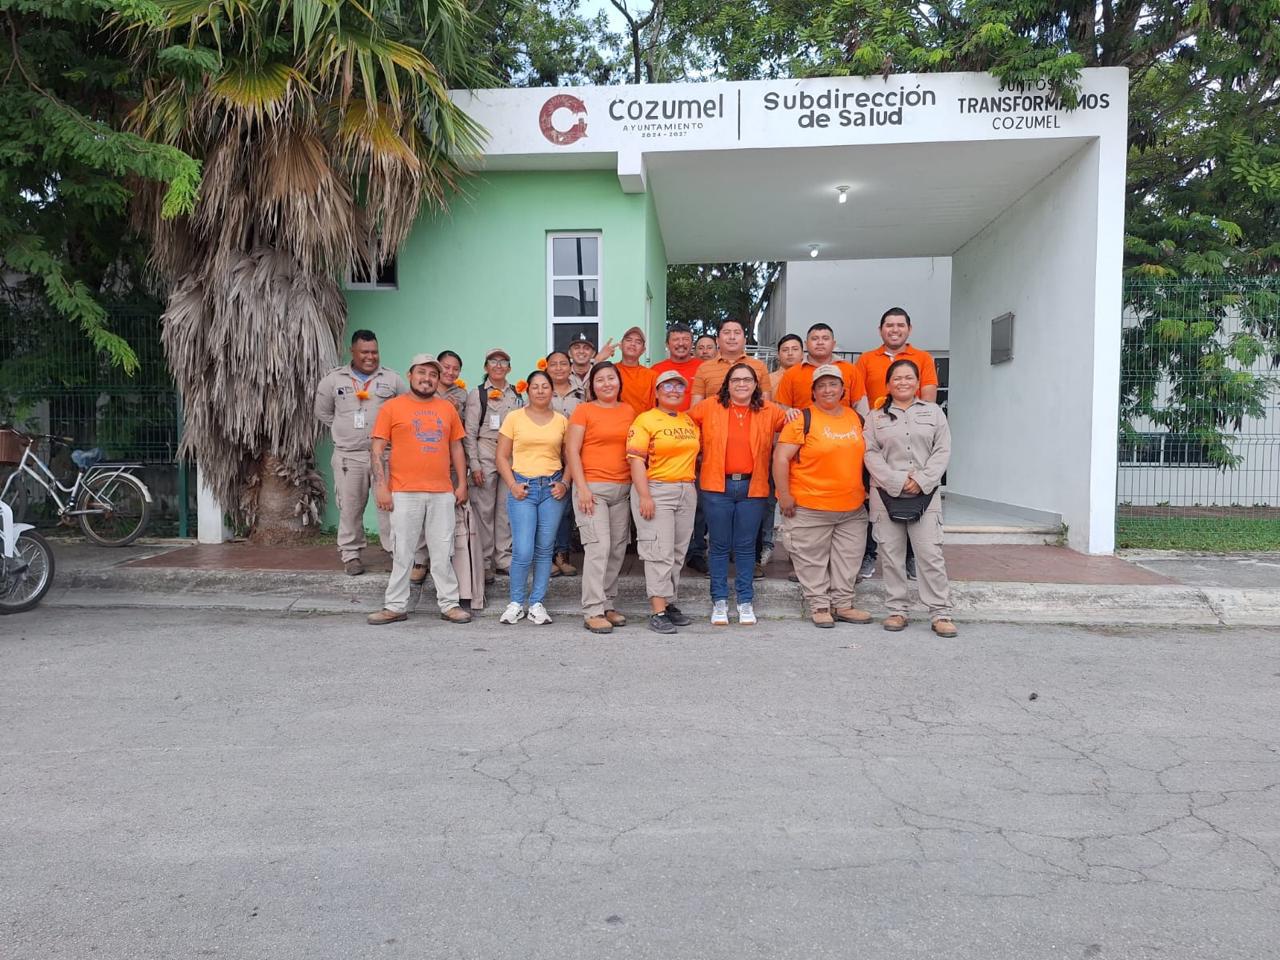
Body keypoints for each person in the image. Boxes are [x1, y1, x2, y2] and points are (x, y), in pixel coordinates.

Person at [366, 353, 471, 625]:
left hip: (442, 492)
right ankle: (395, 606)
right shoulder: (392, 407)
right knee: (402, 552)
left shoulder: (447, 408)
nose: (427, 379)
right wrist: (381, 487)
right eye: (422, 373)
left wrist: (462, 483)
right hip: (403, 492)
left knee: (443, 551)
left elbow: (456, 448)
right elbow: (377, 449)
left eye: (433, 374)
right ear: (410, 375)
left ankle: (449, 604)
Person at [772, 365, 873, 629]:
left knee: (848, 559)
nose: (828, 390)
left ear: (843, 389)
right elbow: (781, 458)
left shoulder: (856, 418)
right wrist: (784, 495)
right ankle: (819, 605)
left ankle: (843, 605)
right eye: (822, 386)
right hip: (810, 505)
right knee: (811, 559)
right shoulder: (802, 419)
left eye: (833, 384)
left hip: (852, 507)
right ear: (814, 392)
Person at [863, 358, 957, 637]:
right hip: (885, 494)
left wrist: (922, 480)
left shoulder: (934, 413)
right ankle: (897, 610)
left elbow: (943, 449)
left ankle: (940, 613)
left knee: (930, 555)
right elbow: (870, 453)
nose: (903, 382)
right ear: (888, 384)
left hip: (925, 495)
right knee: (891, 555)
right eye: (897, 378)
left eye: (909, 378)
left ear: (917, 383)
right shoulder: (875, 417)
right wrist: (897, 480)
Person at [688, 363, 787, 626]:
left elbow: (793, 423)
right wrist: (697, 452)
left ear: (755, 385)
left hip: (752, 487)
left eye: (747, 380)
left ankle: (745, 600)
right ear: (727, 384)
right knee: (719, 545)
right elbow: (685, 424)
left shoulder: (768, 410)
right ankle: (719, 600)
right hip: (716, 487)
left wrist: (794, 412)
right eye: (736, 380)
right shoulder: (709, 406)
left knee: (745, 546)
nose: (742, 384)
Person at [853, 307, 939, 582]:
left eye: (900, 325)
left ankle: (911, 556)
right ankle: (869, 554)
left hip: (912, 437)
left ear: (909, 329)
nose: (894, 330)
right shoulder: (866, 359)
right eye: (889, 325)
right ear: (880, 330)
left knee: (915, 495)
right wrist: (872, 428)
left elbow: (929, 396)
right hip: (879, 436)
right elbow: (859, 397)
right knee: (873, 497)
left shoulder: (922, 358)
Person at [313, 329, 407, 576]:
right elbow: (323, 413)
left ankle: (395, 552)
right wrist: (345, 431)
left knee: (389, 507)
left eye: (374, 352)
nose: (370, 357)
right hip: (349, 456)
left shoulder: (392, 379)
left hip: (384, 455)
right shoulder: (333, 380)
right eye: (364, 352)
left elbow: (406, 410)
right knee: (350, 507)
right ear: (352, 351)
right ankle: (351, 554)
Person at [627, 370, 700, 635]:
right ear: (657, 392)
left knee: (678, 552)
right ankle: (657, 611)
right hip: (657, 489)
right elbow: (636, 460)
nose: (674, 391)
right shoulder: (645, 420)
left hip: (685, 489)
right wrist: (644, 495)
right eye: (667, 386)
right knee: (659, 550)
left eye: (679, 386)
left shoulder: (688, 420)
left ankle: (668, 603)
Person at [566, 361, 636, 634]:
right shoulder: (584, 410)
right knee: (598, 548)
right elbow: (572, 451)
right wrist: (582, 487)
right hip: (592, 489)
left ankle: (608, 603)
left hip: (622, 489)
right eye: (600, 380)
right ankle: (593, 609)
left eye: (611, 378)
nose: (607, 384)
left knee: (617, 549)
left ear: (619, 382)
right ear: (592, 386)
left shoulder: (628, 410)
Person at [495, 369, 569, 626]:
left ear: (552, 391)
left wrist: (565, 483)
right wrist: (512, 485)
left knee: (545, 549)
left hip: (551, 489)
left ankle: (537, 603)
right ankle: (516, 603)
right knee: (523, 549)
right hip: (523, 488)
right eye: (535, 386)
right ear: (527, 390)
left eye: (545, 386)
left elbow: (570, 457)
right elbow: (501, 456)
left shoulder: (561, 421)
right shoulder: (514, 418)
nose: (540, 390)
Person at [464, 348, 524, 581]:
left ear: (509, 368)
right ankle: (485, 560)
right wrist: (475, 464)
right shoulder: (477, 394)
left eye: (503, 362)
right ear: (486, 366)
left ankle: (503, 558)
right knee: (484, 509)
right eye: (493, 361)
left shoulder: (517, 394)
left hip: (510, 453)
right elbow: (470, 432)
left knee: (506, 508)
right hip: (486, 450)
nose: (498, 366)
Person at [760, 332, 805, 572]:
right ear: (778, 354)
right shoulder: (769, 379)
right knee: (769, 498)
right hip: (774, 445)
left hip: (802, 448)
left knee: (796, 499)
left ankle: (795, 550)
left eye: (794, 349)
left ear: (802, 352)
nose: (790, 353)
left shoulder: (810, 376)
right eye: (785, 349)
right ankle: (767, 544)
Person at [545, 350, 583, 577]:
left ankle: (562, 554)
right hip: (547, 456)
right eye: (553, 364)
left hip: (573, 456)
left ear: (570, 367)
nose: (558, 368)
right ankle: (546, 556)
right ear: (546, 367)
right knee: (547, 506)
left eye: (563, 364)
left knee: (567, 508)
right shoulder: (541, 390)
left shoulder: (581, 393)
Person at [773, 323, 863, 412]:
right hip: (804, 421)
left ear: (833, 344)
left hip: (844, 421)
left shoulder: (851, 370)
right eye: (814, 339)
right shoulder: (791, 374)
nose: (820, 343)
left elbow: (861, 408)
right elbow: (783, 411)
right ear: (806, 344)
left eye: (825, 338)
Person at [689, 319, 771, 404]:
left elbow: (766, 404)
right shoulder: (704, 368)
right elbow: (696, 406)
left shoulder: (760, 366)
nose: (732, 337)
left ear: (744, 340)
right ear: (717, 340)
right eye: (726, 332)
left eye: (737, 333)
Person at [650, 323, 702, 413]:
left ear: (692, 344)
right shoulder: (656, 370)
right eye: (675, 339)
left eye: (685, 339)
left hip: (696, 420)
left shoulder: (703, 368)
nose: (681, 343)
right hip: (663, 421)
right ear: (667, 344)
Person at [608, 326, 657, 414]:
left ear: (643, 350)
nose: (633, 344)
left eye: (638, 342)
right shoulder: (610, 371)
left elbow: (655, 408)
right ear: (620, 346)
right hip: (614, 420)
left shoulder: (652, 376)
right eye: (629, 340)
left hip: (642, 421)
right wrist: (598, 359)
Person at [437, 350, 468, 418]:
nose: (451, 372)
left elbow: (465, 421)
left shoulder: (462, 393)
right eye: (446, 367)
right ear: (437, 366)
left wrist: (457, 409)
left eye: (456, 369)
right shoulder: (428, 388)